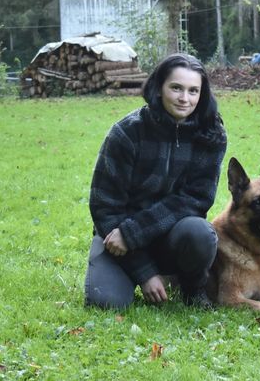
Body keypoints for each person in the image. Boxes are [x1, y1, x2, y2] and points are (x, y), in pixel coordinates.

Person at [84, 53, 227, 309]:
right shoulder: (127, 133)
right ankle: (139, 277)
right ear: (159, 88)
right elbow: (105, 207)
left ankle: (192, 288)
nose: (185, 98)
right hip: (118, 237)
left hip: (169, 235)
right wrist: (145, 272)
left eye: (194, 91)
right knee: (106, 302)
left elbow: (196, 199)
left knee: (200, 232)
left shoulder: (211, 134)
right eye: (176, 88)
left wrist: (134, 232)